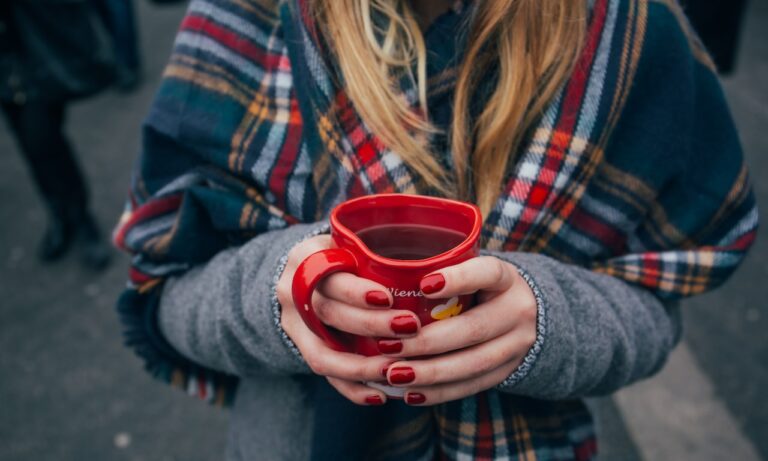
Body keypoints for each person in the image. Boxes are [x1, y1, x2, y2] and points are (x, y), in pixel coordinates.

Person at [113, 0, 758, 459]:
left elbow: (655, 308)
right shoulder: (247, 18)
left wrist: (548, 321)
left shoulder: (630, 32)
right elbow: (168, 296)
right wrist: (282, 291)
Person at [1, 0, 112, 270]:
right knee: (29, 144)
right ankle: (59, 214)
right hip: (5, 62)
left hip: (36, 47)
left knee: (43, 137)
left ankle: (81, 216)